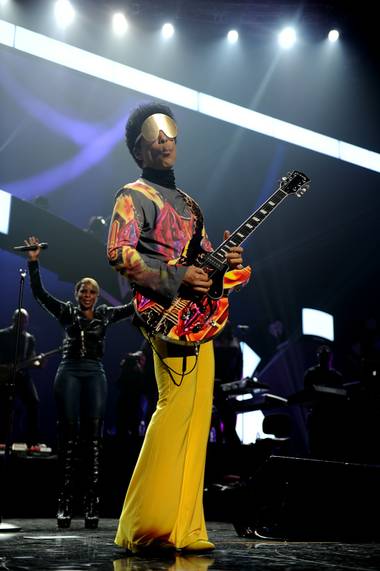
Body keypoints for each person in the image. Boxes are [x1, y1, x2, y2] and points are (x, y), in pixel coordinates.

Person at [107, 102, 251, 553]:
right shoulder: (132, 195)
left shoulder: (189, 205)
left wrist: (228, 267)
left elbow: (205, 267)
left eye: (170, 134)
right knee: (173, 411)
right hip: (165, 316)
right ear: (139, 150)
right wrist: (175, 277)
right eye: (154, 137)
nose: (165, 141)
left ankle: (186, 529)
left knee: (196, 418)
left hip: (199, 322)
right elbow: (119, 253)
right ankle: (144, 525)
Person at [24, 236, 133, 529]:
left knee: (93, 440)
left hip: (94, 371)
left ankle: (91, 502)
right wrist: (34, 262)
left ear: (97, 295)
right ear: (76, 293)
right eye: (83, 290)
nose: (87, 294)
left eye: (92, 291)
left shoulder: (106, 314)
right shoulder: (65, 311)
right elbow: (39, 293)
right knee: (69, 440)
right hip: (69, 370)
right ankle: (65, 502)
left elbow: (136, 307)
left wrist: (148, 277)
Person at [0, 308, 41, 449]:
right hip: (5, 376)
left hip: (22, 376)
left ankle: (32, 442)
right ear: (14, 319)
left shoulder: (29, 338)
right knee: (6, 407)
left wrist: (38, 362)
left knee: (34, 402)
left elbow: (32, 359)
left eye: (24, 320)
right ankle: (3, 441)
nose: (22, 322)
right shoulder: (2, 335)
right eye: (19, 319)